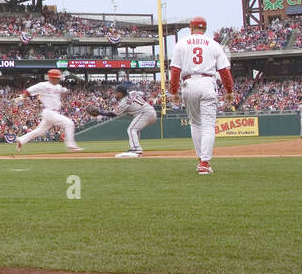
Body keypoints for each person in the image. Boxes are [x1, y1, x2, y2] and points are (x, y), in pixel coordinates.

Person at [168, 16, 233, 175]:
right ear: (205, 29)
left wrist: (174, 92)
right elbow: (224, 71)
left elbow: (175, 70)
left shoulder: (181, 44)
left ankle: (201, 160)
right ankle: (205, 162)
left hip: (189, 83)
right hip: (207, 82)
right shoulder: (214, 44)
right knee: (208, 125)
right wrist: (229, 91)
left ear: (191, 28)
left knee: (195, 124)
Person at [15, 69, 80, 152]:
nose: (58, 79)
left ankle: (21, 140)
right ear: (51, 78)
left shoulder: (58, 86)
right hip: (49, 112)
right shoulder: (43, 85)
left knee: (39, 131)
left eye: (58, 78)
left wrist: (66, 90)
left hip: (53, 113)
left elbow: (63, 90)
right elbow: (29, 90)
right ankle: (71, 145)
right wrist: (21, 97)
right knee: (69, 123)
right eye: (56, 78)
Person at [87, 83, 157, 158]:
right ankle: (136, 147)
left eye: (116, 92)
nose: (115, 94)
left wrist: (99, 113)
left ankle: (136, 149)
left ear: (120, 93)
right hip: (151, 112)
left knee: (131, 129)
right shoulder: (133, 92)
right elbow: (142, 94)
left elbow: (113, 114)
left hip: (145, 113)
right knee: (135, 129)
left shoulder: (124, 102)